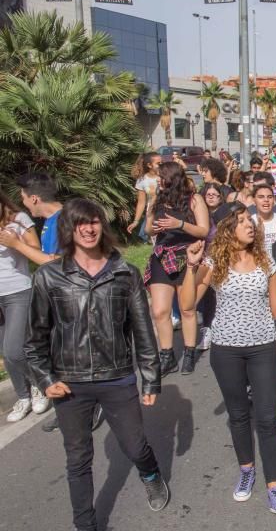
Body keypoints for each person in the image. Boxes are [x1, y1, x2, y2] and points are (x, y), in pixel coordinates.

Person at [25, 199, 169, 530]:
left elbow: (143, 333)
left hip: (116, 377)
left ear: (102, 226)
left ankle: (150, 473)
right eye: (80, 223)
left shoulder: (124, 273)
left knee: (135, 445)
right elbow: (34, 341)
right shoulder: (49, 277)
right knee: (77, 459)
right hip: (68, 382)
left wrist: (150, 379)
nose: (88, 229)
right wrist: (46, 379)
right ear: (69, 229)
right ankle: (85, 523)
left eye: (93, 222)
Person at [180, 203, 276, 518]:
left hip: (263, 347)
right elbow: (188, 303)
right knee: (237, 416)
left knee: (268, 419)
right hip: (226, 349)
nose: (250, 225)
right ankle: (247, 470)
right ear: (229, 228)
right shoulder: (214, 261)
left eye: (251, 221)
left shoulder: (266, 260)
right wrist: (191, 268)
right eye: (243, 221)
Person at [144, 162, 210, 375]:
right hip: (162, 255)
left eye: (161, 177)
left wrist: (179, 225)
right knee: (160, 310)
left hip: (186, 254)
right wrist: (150, 218)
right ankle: (167, 355)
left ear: (172, 178)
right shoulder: (158, 199)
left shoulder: (194, 199)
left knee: (186, 308)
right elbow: (148, 230)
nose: (158, 181)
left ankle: (189, 352)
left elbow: (203, 230)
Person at [0, 192, 48, 422]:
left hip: (17, 291)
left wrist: (14, 243)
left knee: (14, 350)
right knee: (6, 354)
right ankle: (23, 396)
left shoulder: (19, 219)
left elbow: (36, 250)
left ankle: (41, 385)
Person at [15, 172, 63, 265]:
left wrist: (16, 244)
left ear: (33, 199)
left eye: (23, 198)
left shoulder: (64, 220)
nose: (23, 202)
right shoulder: (51, 219)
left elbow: (56, 262)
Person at [128, 152, 162, 241]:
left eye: (162, 162)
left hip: (166, 212)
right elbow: (141, 202)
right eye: (158, 163)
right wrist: (136, 221)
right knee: (156, 243)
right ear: (149, 165)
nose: (161, 165)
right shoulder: (142, 180)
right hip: (152, 215)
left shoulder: (165, 176)